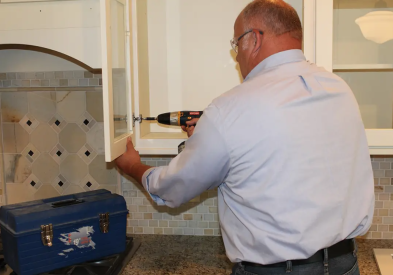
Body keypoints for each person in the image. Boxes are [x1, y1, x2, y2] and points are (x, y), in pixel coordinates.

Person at [115, 0, 375, 274]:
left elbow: (174, 187)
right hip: (345, 265)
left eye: (236, 44)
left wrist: (132, 165)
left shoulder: (230, 110)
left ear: (254, 39)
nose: (237, 55)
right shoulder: (339, 88)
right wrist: (205, 138)